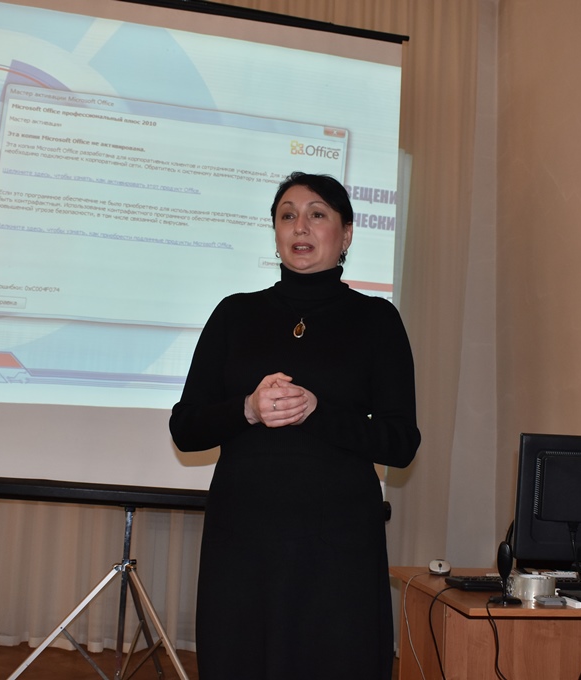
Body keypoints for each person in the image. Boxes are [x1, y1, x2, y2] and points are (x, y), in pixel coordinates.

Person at [169, 172, 420, 679]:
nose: (299, 226)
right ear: (276, 233)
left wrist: (317, 411)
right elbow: (186, 428)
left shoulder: (376, 320)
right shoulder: (234, 314)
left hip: (337, 545)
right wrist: (247, 409)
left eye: (317, 214)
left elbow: (400, 443)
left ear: (346, 234)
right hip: (244, 539)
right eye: (287, 215)